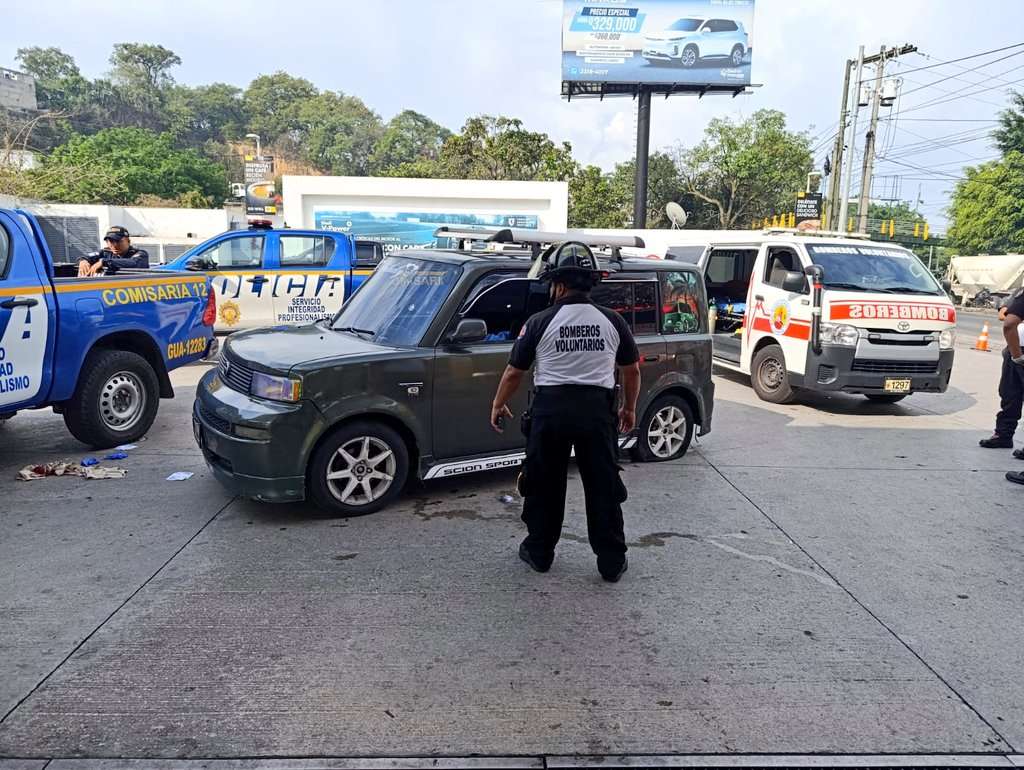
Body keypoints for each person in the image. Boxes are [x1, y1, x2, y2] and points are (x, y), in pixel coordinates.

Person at [489, 242, 641, 582]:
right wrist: (629, 408)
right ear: (591, 282)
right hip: (596, 414)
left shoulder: (540, 321)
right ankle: (611, 562)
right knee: (603, 486)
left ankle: (540, 553)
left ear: (556, 283)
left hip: (550, 413)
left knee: (544, 484)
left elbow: (515, 371)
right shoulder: (613, 321)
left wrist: (499, 404)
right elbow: (631, 370)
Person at [77, 226, 150, 277]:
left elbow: (134, 263)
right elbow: (88, 256)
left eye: (118, 241)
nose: (114, 245)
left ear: (128, 241)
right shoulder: (106, 252)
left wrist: (105, 262)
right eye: (110, 241)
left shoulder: (140, 254)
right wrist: (83, 260)